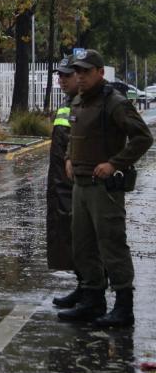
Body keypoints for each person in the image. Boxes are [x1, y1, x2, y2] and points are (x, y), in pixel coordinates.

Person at [58, 49, 153, 327]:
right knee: (83, 245)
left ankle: (124, 306)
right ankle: (92, 300)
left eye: (86, 71)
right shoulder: (78, 101)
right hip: (80, 184)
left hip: (103, 188)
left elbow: (142, 138)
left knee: (111, 244)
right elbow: (74, 137)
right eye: (78, 72)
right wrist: (68, 158)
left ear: (100, 72)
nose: (81, 76)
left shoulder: (114, 103)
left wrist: (115, 163)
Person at [48, 58, 82, 308]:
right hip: (61, 180)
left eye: (66, 75)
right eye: (59, 75)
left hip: (78, 182)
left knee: (83, 237)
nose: (61, 80)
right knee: (69, 235)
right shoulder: (67, 102)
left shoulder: (85, 104)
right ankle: (84, 286)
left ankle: (91, 289)